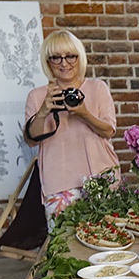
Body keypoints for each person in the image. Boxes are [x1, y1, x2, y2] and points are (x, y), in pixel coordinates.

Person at [24, 30, 118, 220]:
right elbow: (31, 140)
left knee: (105, 241)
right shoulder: (37, 95)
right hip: (59, 184)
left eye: (70, 56)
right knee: (64, 245)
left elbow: (108, 131)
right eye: (56, 58)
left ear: (80, 57)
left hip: (100, 178)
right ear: (48, 62)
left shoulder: (97, 88)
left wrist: (83, 113)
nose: (64, 63)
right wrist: (43, 111)